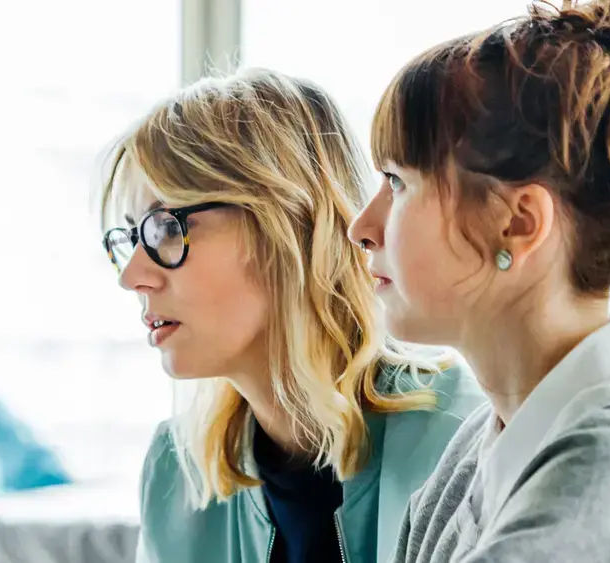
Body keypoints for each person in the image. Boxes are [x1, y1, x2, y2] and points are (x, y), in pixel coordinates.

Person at [349, 1, 610, 561]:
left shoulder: (609, 486)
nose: (361, 227)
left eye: (397, 182)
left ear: (518, 224)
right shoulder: (481, 445)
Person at [98, 68, 487, 563]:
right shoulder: (176, 472)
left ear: (289, 226)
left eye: (164, 229)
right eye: (131, 237)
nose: (132, 276)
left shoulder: (460, 440)